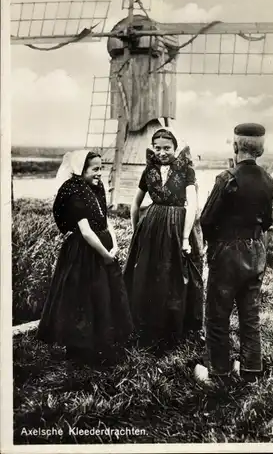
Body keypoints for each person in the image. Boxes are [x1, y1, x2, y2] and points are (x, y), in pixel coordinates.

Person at [194, 123, 273, 385]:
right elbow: (267, 221)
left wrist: (215, 246)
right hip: (256, 251)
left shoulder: (226, 178)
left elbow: (206, 220)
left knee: (217, 315)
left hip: (228, 252)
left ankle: (218, 374)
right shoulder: (268, 179)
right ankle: (251, 370)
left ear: (236, 146)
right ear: (260, 150)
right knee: (250, 315)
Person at [37, 150, 134, 365]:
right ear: (81, 171)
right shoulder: (73, 191)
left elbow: (105, 219)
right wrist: (105, 256)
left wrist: (115, 244)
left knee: (104, 295)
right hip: (84, 252)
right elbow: (86, 231)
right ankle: (79, 350)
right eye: (94, 169)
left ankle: (103, 343)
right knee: (83, 298)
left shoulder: (96, 188)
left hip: (103, 247)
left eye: (101, 168)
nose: (100, 173)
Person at [123, 128, 204, 351]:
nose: (161, 152)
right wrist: (136, 232)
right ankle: (149, 328)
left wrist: (186, 237)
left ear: (175, 149)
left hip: (178, 226)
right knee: (151, 272)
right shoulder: (148, 172)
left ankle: (177, 329)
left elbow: (193, 205)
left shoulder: (186, 170)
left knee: (177, 273)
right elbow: (135, 204)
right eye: (157, 148)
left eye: (167, 148)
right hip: (153, 224)